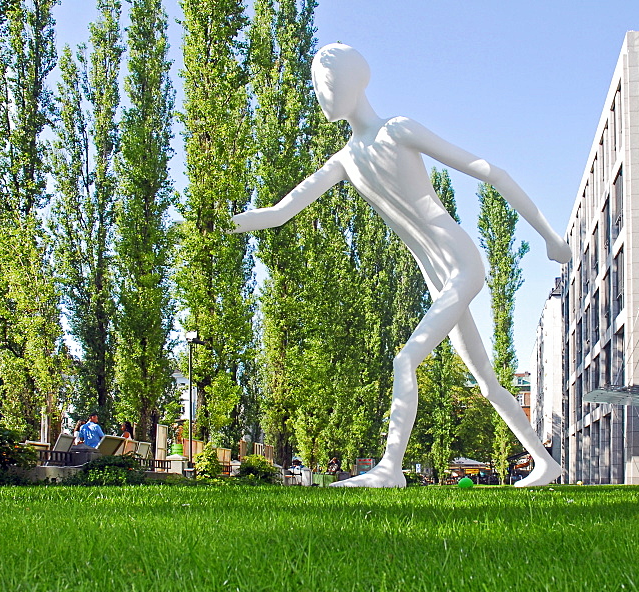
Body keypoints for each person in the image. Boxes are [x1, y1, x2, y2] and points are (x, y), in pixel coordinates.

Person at [229, 44, 570, 488]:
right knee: (485, 378)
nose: (320, 95)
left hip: (461, 262)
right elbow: (282, 211)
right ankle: (545, 464)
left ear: (353, 82)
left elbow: (491, 172)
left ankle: (390, 469)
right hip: (437, 275)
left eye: (325, 84)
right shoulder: (345, 160)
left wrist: (548, 236)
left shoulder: (397, 129)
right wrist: (237, 220)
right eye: (316, 87)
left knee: (404, 361)